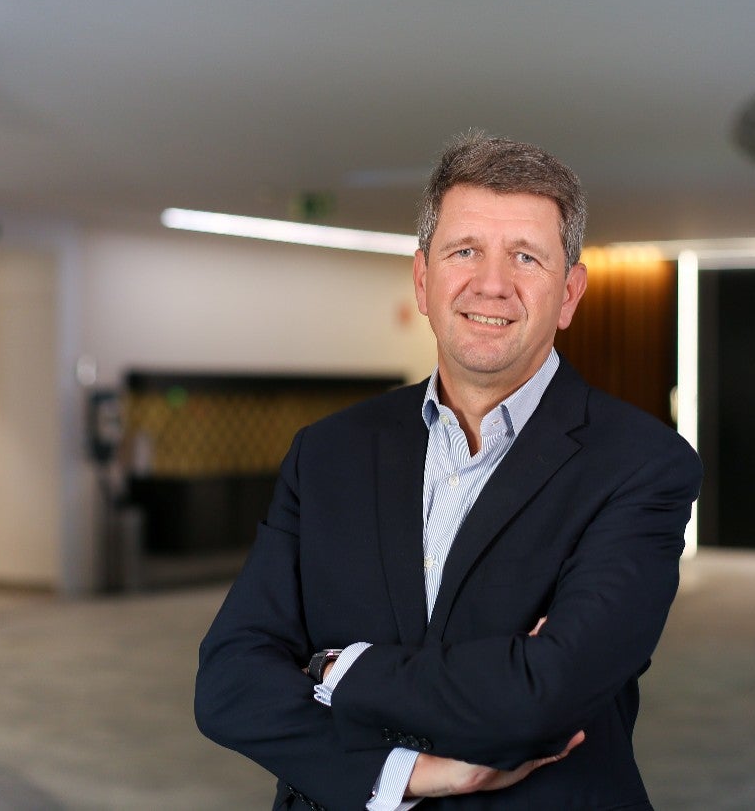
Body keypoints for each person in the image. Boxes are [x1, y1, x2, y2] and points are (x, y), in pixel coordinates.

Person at [196, 131, 701, 810]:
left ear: (570, 294)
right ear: (423, 279)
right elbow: (228, 682)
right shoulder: (326, 453)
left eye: (526, 256)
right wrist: (413, 773)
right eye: (465, 251)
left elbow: (544, 697)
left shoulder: (643, 464)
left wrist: (337, 668)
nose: (491, 283)